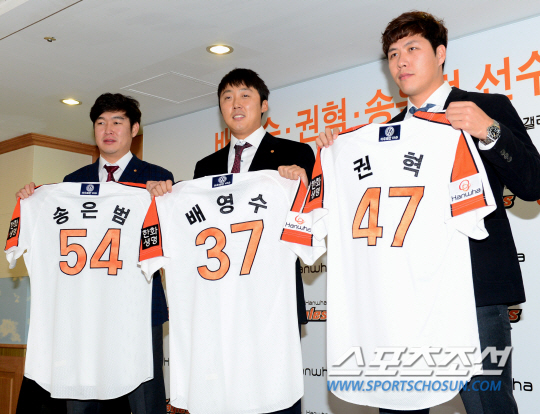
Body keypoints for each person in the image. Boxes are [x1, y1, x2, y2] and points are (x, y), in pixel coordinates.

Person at [317, 10, 540, 414]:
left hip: (474, 292)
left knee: (488, 404)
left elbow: (533, 184)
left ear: (440, 54)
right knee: (400, 404)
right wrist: (335, 152)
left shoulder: (485, 107)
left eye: (412, 48)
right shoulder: (381, 136)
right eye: (392, 54)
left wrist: (489, 131)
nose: (400, 61)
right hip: (402, 295)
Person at [149, 68, 315, 414]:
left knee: (274, 393)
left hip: (271, 302)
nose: (235, 104)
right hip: (216, 302)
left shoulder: (296, 154)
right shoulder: (205, 166)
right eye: (227, 97)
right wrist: (166, 195)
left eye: (245, 95)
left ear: (264, 105)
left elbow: (310, 220)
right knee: (222, 395)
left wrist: (302, 184)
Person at [16, 93, 173, 414]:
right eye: (100, 123)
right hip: (83, 308)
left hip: (138, 308)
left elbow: (172, 241)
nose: (108, 129)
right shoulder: (72, 182)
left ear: (134, 129)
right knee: (81, 395)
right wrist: (33, 199)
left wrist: (165, 202)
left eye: (117, 121)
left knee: (145, 400)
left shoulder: (157, 178)